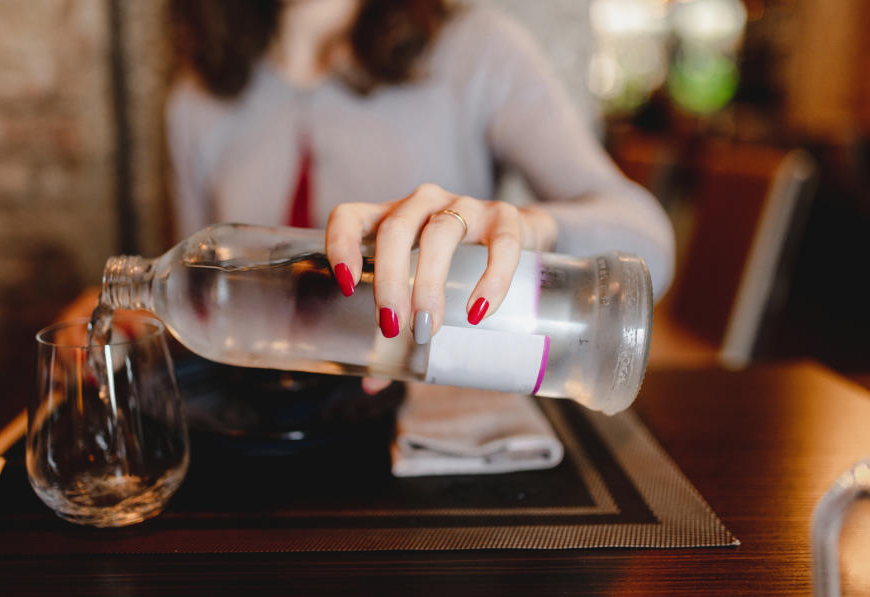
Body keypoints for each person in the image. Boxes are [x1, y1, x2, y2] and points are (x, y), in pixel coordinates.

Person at [166, 0, 675, 357]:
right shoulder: (194, 102)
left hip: (438, 426)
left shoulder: (474, 49)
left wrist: (524, 227)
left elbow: (648, 245)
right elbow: (202, 294)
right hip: (260, 439)